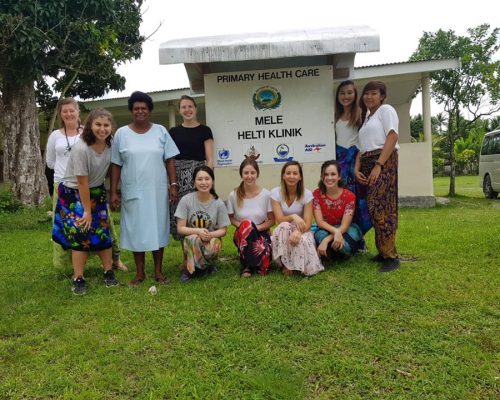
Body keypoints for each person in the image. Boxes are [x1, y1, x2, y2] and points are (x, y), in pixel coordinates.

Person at [46, 98, 127, 272]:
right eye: (64, 110)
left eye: (72, 110)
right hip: (69, 187)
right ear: (60, 113)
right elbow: (51, 163)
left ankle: (113, 262)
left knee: (104, 228)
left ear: (78, 112)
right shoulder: (61, 138)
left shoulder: (104, 139)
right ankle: (73, 271)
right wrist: (87, 209)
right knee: (76, 228)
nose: (68, 113)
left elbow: (113, 163)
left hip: (94, 187)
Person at [110, 91, 179, 286]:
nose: (140, 111)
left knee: (158, 228)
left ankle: (158, 272)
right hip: (133, 190)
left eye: (144, 108)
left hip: (157, 191)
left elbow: (170, 159)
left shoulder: (161, 131)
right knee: (136, 230)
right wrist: (114, 191)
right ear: (132, 111)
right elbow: (116, 164)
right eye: (136, 108)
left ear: (149, 111)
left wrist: (173, 185)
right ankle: (140, 274)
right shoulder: (122, 134)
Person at [52, 109, 119, 295]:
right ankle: (78, 278)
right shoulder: (81, 148)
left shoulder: (111, 144)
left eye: (106, 125)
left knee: (102, 232)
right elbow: (82, 182)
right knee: (80, 233)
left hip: (97, 191)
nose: (102, 129)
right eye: (98, 124)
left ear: (111, 127)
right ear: (89, 125)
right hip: (74, 193)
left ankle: (108, 271)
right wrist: (87, 211)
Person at [355, 80, 400, 272]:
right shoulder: (366, 118)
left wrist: (379, 165)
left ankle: (391, 256)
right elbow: (360, 148)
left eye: (374, 93)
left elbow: (392, 136)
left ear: (382, 96)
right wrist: (357, 169)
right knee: (373, 208)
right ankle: (383, 251)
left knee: (383, 207)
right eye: (366, 93)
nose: (369, 97)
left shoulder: (386, 110)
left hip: (383, 161)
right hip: (367, 161)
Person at [169, 95, 214, 244]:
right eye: (183, 107)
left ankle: (204, 253)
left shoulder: (205, 130)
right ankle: (186, 257)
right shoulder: (174, 132)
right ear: (179, 111)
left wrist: (206, 179)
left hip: (198, 175)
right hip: (178, 177)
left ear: (195, 108)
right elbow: (169, 158)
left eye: (190, 106)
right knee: (182, 213)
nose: (187, 110)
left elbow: (210, 158)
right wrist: (172, 183)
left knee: (199, 212)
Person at [175, 165, 230, 282]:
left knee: (213, 245)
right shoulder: (186, 200)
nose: (203, 182)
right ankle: (189, 271)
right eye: (199, 179)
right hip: (192, 241)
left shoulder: (218, 203)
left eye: (207, 179)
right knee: (193, 238)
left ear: (212, 181)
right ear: (194, 182)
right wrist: (198, 231)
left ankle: (206, 265)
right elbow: (180, 228)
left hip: (211, 240)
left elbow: (223, 230)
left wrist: (210, 235)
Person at [270, 161, 324, 276]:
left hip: (302, 228)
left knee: (303, 240)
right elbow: (279, 220)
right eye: (288, 173)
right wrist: (293, 216)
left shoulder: (307, 194)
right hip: (283, 230)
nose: (291, 176)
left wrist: (298, 231)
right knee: (284, 227)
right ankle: (286, 264)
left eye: (295, 173)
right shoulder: (275, 193)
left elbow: (308, 223)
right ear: (283, 176)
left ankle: (298, 265)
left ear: (300, 177)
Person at [334, 80, 372, 235]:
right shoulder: (335, 116)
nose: (346, 96)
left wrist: (356, 164)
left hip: (356, 160)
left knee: (357, 198)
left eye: (349, 92)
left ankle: (359, 237)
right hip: (339, 161)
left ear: (355, 94)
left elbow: (364, 141)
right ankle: (344, 233)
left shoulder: (363, 114)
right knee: (342, 197)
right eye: (342, 93)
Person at [227, 159, 274, 277]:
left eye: (252, 173)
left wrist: (254, 228)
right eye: (246, 173)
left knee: (263, 250)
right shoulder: (233, 195)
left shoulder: (266, 194)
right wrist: (247, 227)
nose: (249, 176)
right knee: (247, 223)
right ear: (241, 175)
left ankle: (254, 264)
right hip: (242, 234)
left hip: (261, 232)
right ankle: (247, 266)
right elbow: (231, 218)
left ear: (257, 174)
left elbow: (272, 220)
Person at [313, 160, 363, 261]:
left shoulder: (349, 196)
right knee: (320, 237)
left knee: (346, 246)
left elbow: (345, 225)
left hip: (346, 229)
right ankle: (331, 253)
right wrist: (335, 232)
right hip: (325, 228)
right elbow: (320, 222)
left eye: (333, 174)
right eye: (326, 174)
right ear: (322, 177)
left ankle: (333, 253)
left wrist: (328, 240)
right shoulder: (316, 194)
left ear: (339, 176)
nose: (329, 178)